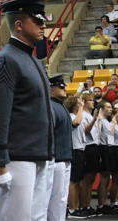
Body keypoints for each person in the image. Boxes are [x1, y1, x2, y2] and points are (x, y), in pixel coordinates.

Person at [0, 0, 54, 221]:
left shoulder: (31, 60)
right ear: (20, 25)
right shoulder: (7, 60)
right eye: (38, 21)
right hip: (16, 157)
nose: (44, 25)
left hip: (37, 153)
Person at [43, 75, 74, 221]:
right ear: (52, 89)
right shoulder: (51, 106)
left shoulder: (60, 106)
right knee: (54, 198)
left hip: (64, 157)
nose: (65, 88)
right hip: (57, 159)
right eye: (61, 86)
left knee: (61, 198)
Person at [67, 94, 95, 219]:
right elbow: (77, 122)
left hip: (80, 150)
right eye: (79, 104)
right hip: (74, 150)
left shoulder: (76, 115)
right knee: (73, 181)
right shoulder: (72, 116)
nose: (81, 106)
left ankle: (76, 206)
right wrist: (81, 108)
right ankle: (72, 209)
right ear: (74, 106)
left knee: (78, 181)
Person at [90, 101, 118, 215]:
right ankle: (102, 204)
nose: (110, 109)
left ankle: (111, 202)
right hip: (104, 148)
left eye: (111, 107)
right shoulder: (100, 120)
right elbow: (99, 133)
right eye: (108, 107)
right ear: (101, 108)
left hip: (112, 148)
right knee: (104, 176)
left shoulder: (108, 121)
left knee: (111, 177)